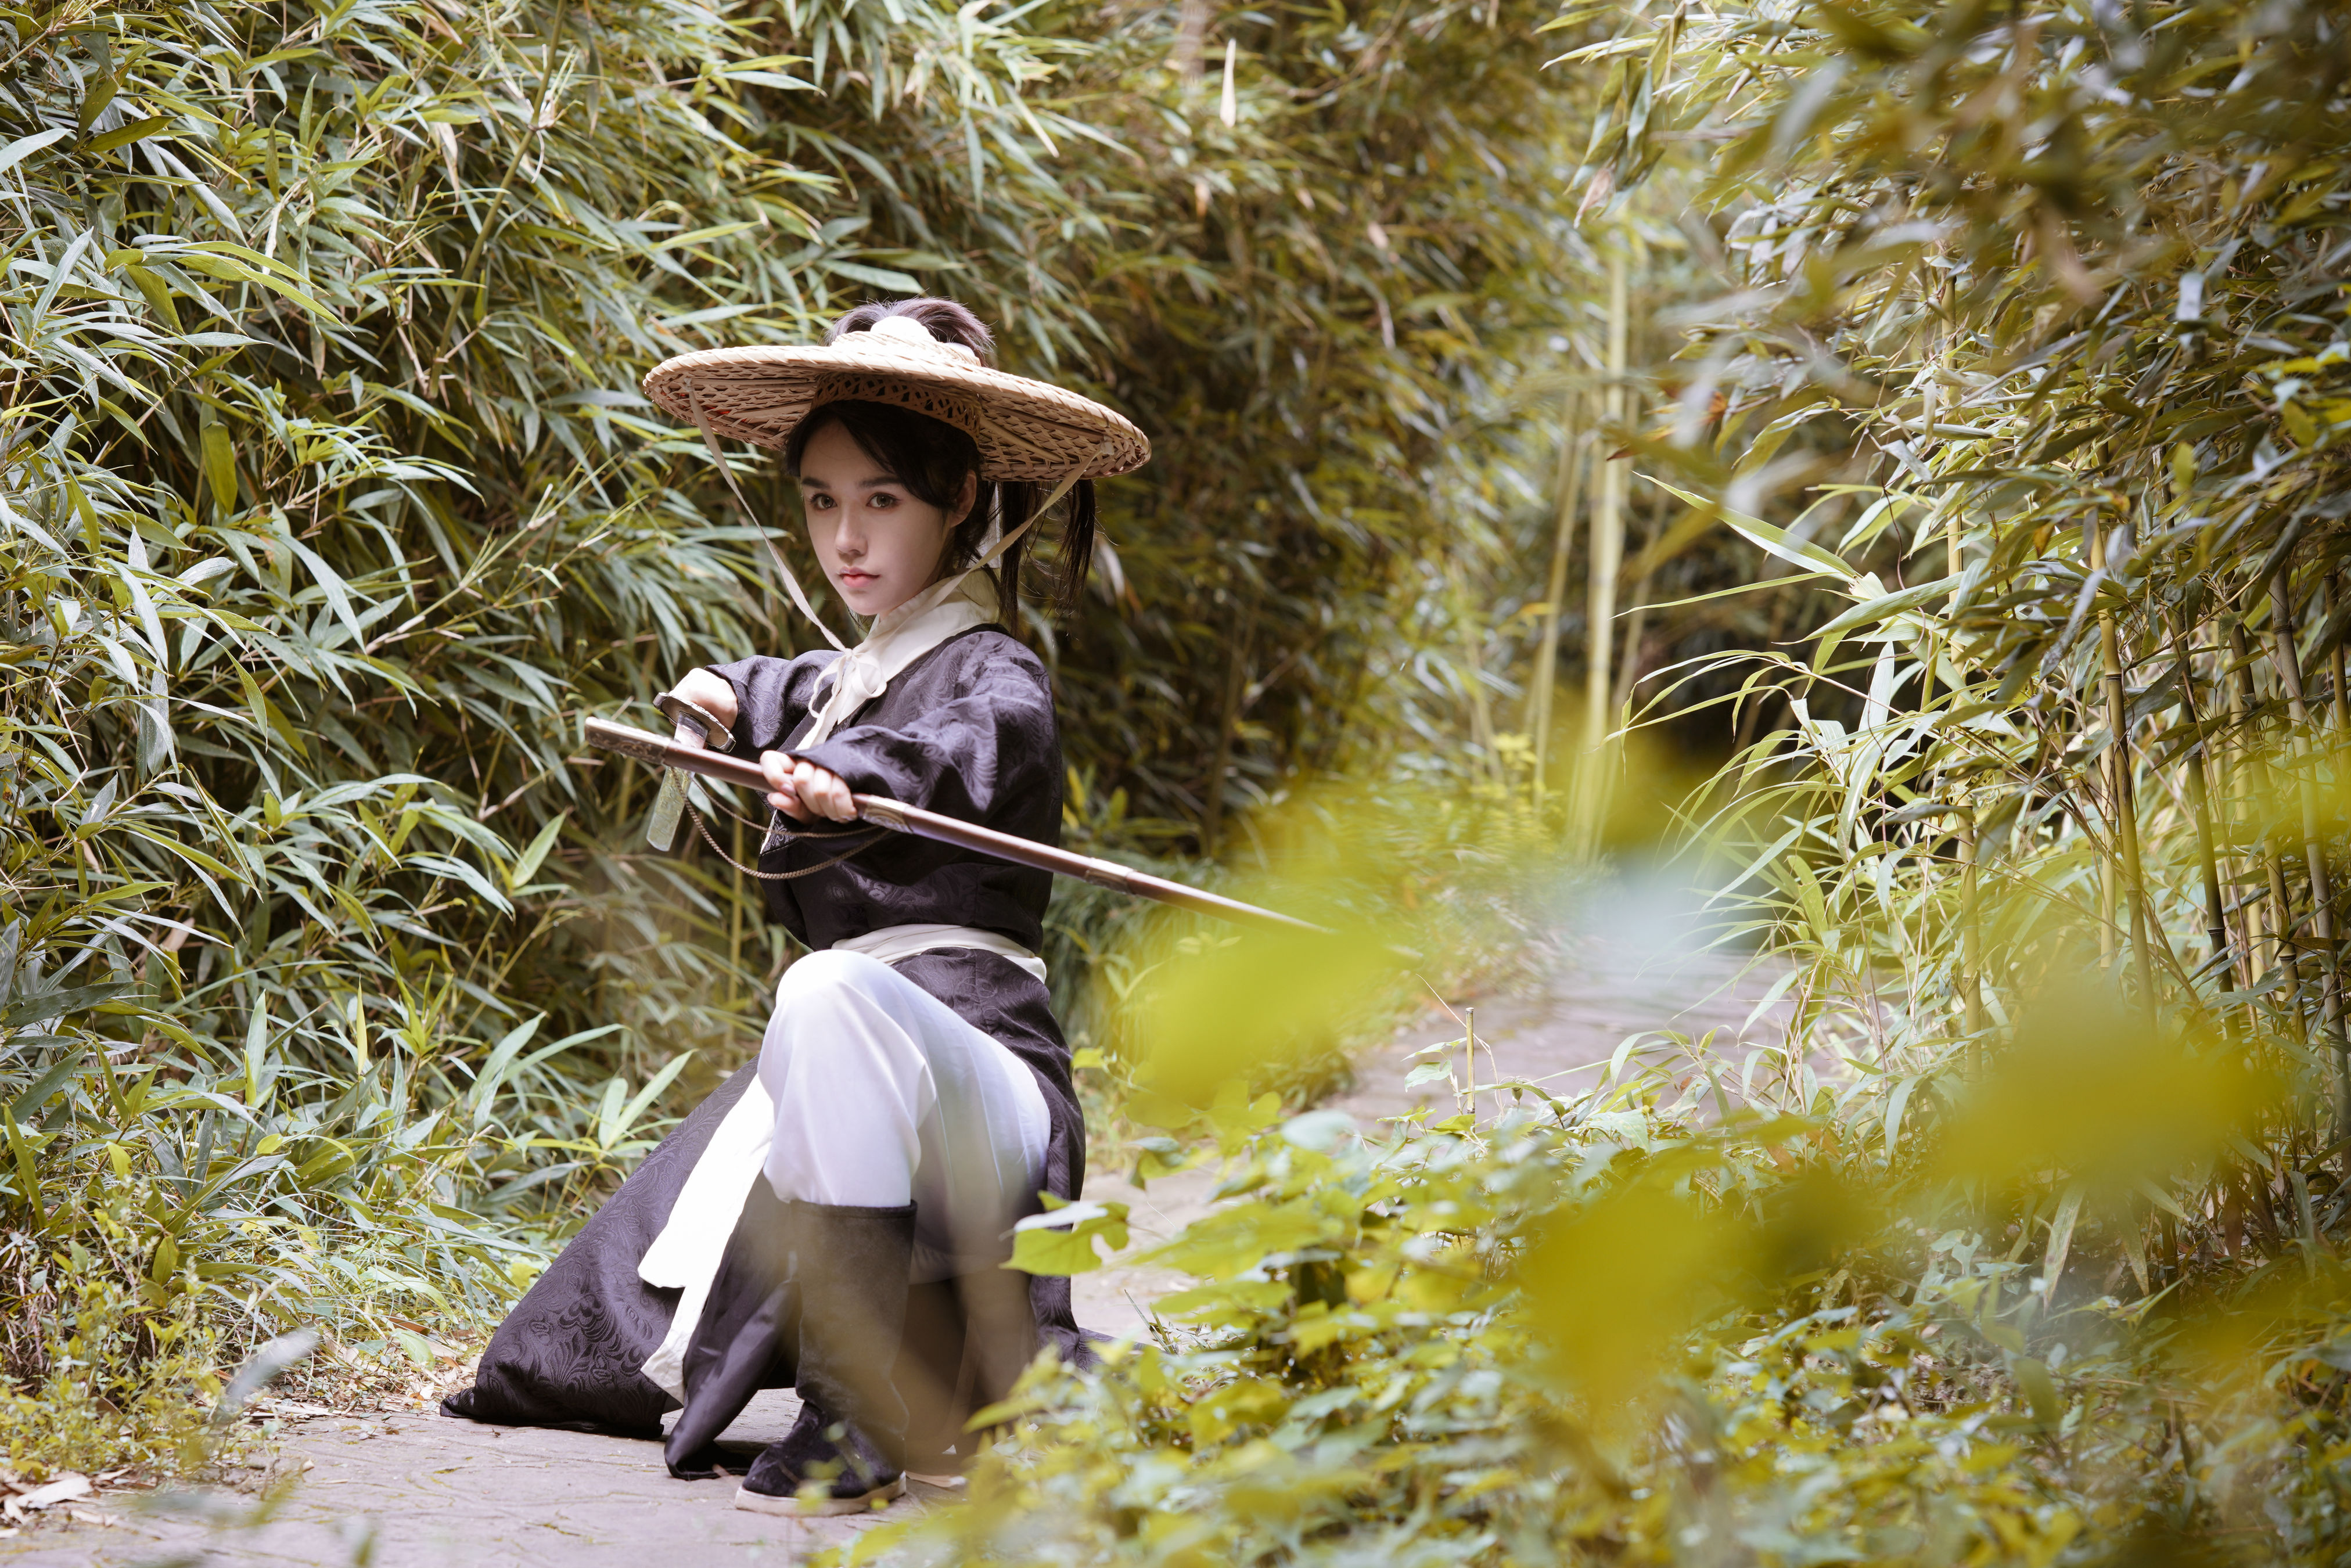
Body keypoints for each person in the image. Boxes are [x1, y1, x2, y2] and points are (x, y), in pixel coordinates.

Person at [441, 298, 1151, 1516]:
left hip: (988, 1093)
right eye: (821, 501)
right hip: (850, 1068)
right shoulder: (839, 676)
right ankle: (862, 1395)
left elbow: (954, 751)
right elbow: (783, 687)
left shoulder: (996, 674)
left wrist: (856, 783)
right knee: (801, 1028)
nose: (846, 537)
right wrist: (717, 687)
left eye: (881, 500)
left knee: (822, 990)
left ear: (961, 499)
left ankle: (860, 1412)